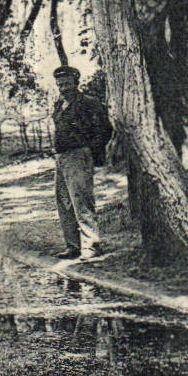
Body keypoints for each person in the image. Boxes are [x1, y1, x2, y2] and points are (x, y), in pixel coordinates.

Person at [51, 65, 112, 264]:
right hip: (61, 158)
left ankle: (92, 245)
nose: (63, 87)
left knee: (81, 199)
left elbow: (104, 129)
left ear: (75, 83)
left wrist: (90, 151)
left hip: (78, 156)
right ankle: (73, 246)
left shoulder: (88, 103)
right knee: (64, 201)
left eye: (67, 83)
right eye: (60, 84)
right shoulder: (59, 105)